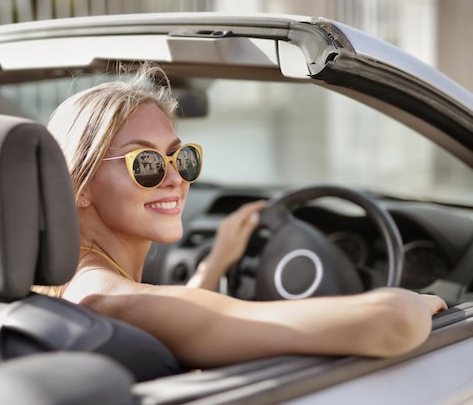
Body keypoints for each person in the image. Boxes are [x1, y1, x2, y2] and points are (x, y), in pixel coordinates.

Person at [32, 63, 446, 370]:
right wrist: (416, 300)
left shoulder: (71, 287)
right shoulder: (117, 302)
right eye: (147, 163)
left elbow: (177, 318)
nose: (176, 178)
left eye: (183, 157)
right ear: (80, 185)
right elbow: (390, 324)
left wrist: (216, 263)